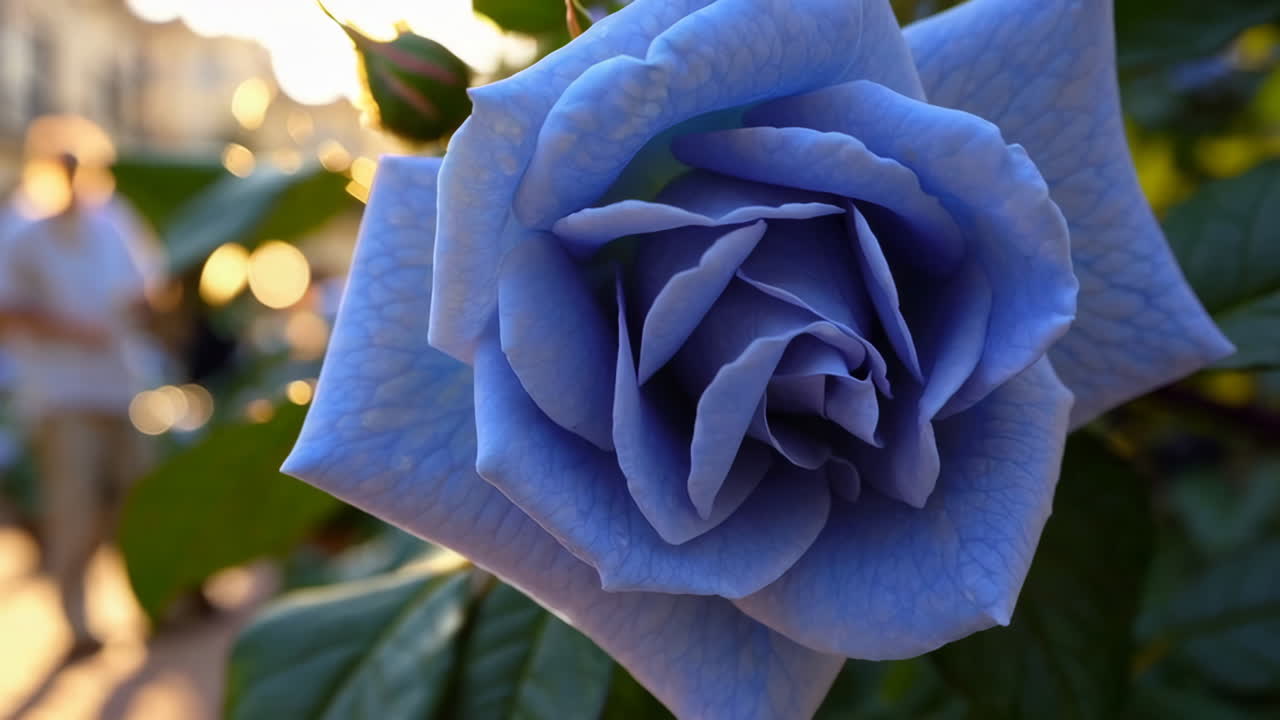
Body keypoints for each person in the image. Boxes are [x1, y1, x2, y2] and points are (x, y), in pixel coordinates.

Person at [0, 153, 161, 661]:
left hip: (119, 385)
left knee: (137, 498)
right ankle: (77, 624)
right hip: (60, 394)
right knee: (74, 507)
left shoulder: (113, 223)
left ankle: (163, 600)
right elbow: (9, 309)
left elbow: (147, 285)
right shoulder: (22, 234)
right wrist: (72, 329)